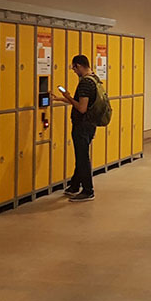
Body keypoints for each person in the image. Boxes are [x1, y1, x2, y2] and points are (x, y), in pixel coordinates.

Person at [52, 54, 97, 202]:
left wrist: (68, 96)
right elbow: (83, 101)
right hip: (91, 124)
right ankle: (74, 185)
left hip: (82, 125)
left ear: (78, 66)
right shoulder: (94, 79)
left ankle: (88, 190)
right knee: (81, 155)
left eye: (74, 68)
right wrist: (60, 98)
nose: (74, 72)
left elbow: (81, 108)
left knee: (82, 157)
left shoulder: (84, 83)